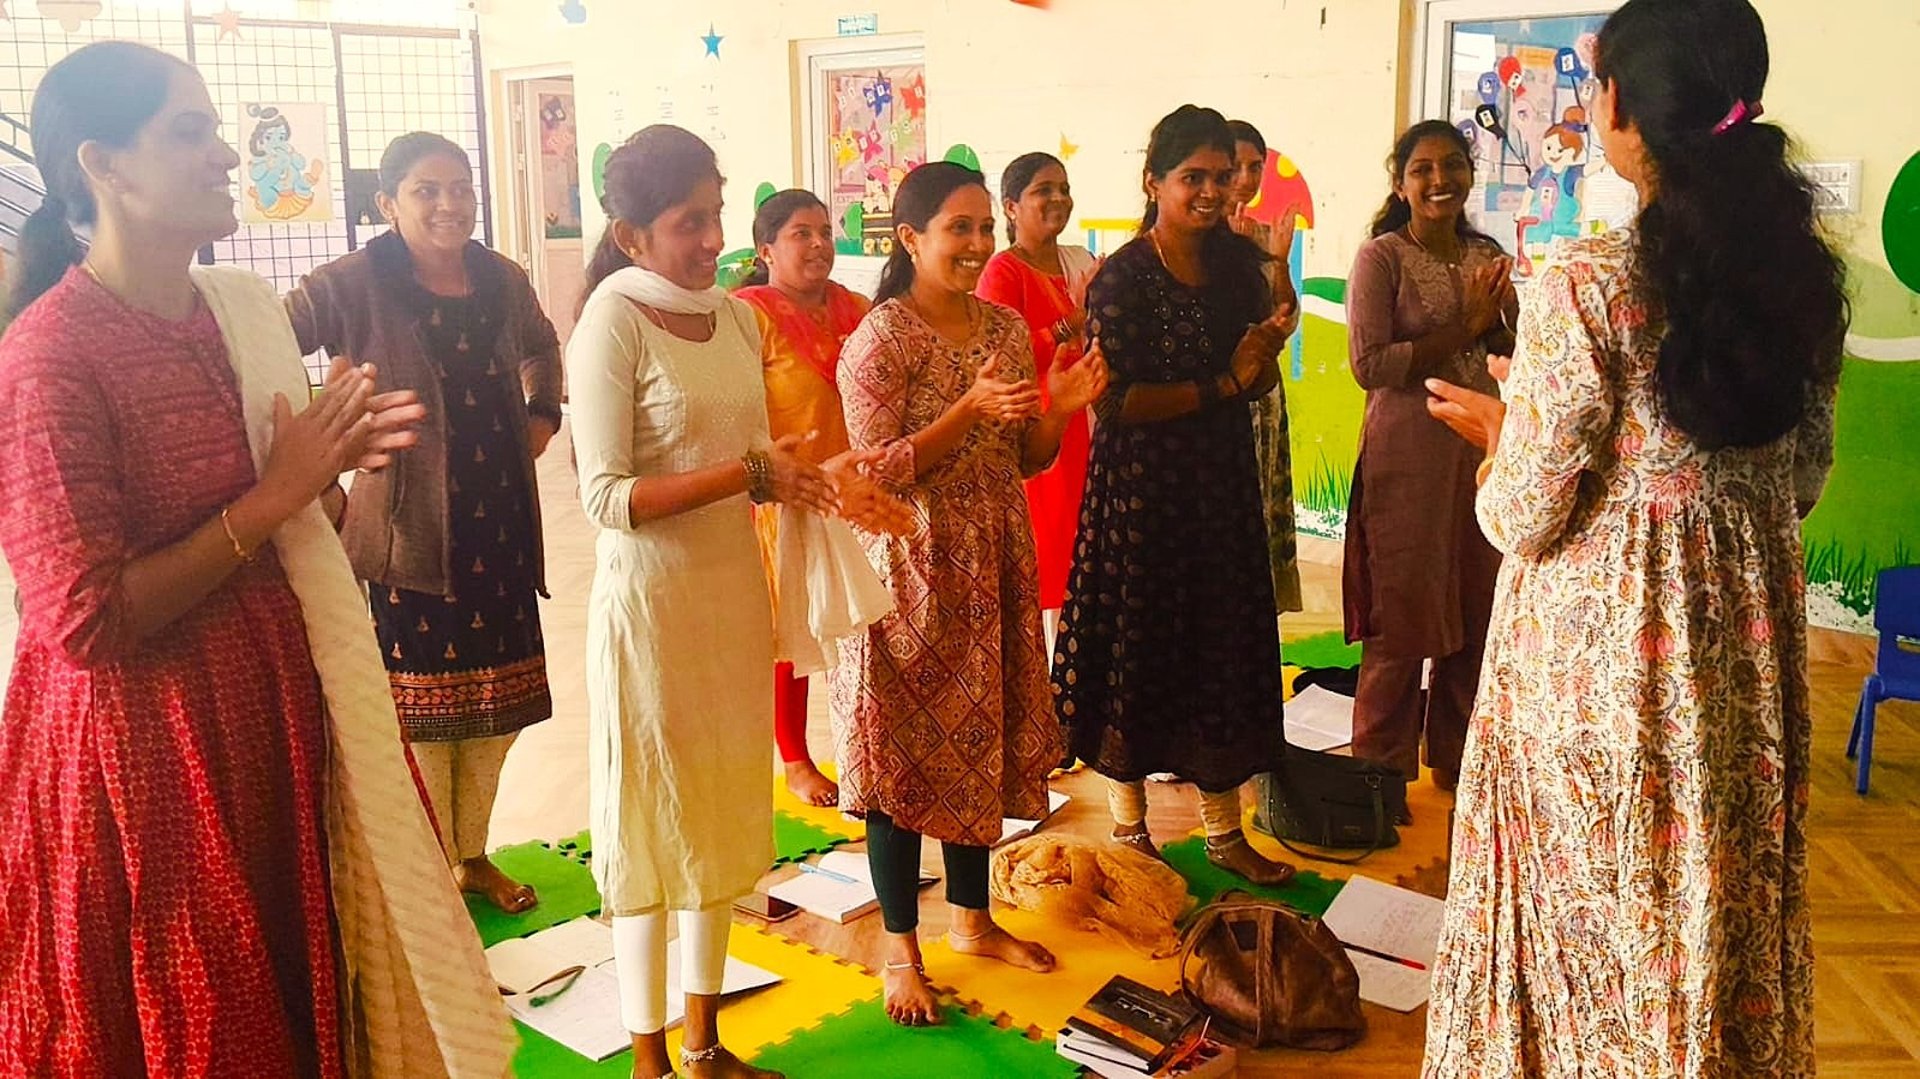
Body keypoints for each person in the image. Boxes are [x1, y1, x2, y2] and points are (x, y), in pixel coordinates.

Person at [0, 41, 513, 1076]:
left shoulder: (232, 311)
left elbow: (296, 511)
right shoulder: (50, 355)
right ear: (104, 164)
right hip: (149, 761)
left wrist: (328, 467)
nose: (228, 154)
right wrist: (276, 493)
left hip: (273, 719)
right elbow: (84, 620)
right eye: (190, 131)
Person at [1419, 1, 1846, 1073]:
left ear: (1619, 107)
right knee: (1710, 908)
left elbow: (1523, 514)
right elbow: (1799, 482)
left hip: (1597, 684)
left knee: (1588, 923)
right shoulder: (1799, 282)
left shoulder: (1587, 284)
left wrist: (1501, 433)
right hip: (1741, 670)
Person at [570, 124, 902, 1079]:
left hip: (730, 596)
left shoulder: (733, 320)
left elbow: (763, 461)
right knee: (652, 823)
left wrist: (824, 482)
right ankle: (648, 1057)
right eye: (690, 222)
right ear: (631, 235)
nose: (713, 239)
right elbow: (607, 497)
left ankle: (705, 1042)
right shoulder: (612, 322)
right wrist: (750, 473)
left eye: (716, 214)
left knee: (717, 818)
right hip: (653, 610)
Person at [834, 160, 1108, 1027]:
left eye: (985, 227)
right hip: (908, 569)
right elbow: (874, 469)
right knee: (901, 756)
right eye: (960, 228)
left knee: (975, 738)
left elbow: (1025, 457)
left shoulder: (1004, 328)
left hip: (991, 560)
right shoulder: (878, 339)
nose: (980, 243)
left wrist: (1058, 406)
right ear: (910, 237)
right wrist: (967, 409)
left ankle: (973, 920)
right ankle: (900, 950)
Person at [286, 131, 563, 913]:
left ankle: (471, 855)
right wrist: (322, 455)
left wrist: (541, 416)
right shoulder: (353, 281)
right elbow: (266, 350)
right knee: (422, 726)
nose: (450, 204)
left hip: (502, 534)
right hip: (407, 545)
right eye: (426, 190)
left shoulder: (501, 277)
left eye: (461, 188)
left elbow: (543, 347)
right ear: (388, 203)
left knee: (495, 716)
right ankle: (426, 876)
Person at [1051, 105, 1299, 887]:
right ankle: (1130, 827)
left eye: (1222, 176)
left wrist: (1261, 354)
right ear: (1154, 181)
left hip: (1218, 487)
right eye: (1194, 176)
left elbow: (1254, 379)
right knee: (1140, 656)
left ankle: (1225, 832)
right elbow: (1116, 401)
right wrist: (1226, 379)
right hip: (1140, 497)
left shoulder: (1238, 267)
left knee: (1219, 650)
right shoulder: (1123, 277)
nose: (1211, 191)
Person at [1341, 120, 1515, 796]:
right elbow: (1370, 364)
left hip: (1478, 459)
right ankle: (1377, 775)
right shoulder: (1381, 258)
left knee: (1476, 607)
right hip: (1404, 460)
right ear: (1400, 183)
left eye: (1453, 165)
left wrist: (1501, 321)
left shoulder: (1485, 254)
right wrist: (1464, 326)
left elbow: (1505, 351)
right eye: (1423, 169)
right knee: (1400, 617)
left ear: (1470, 174)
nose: (1440, 180)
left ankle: (1457, 757)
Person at [734, 188, 871, 808]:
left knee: (859, 622)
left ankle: (864, 742)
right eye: (800, 234)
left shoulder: (856, 308)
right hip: (782, 497)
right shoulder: (747, 315)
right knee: (790, 632)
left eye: (824, 232)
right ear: (766, 250)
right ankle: (794, 759)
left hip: (854, 491)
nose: (819, 245)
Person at [974, 151, 1099, 627]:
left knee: (1090, 546)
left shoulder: (1079, 262)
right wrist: (1071, 323)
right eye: (1043, 190)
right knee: (1054, 555)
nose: (1058, 199)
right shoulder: (1003, 271)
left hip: (1090, 421)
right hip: (1043, 431)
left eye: (1063, 189)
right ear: (1011, 207)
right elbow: (1000, 352)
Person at [1226, 118, 1303, 614]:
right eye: (1235, 166)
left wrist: (1278, 261)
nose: (1246, 178)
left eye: (1256, 167)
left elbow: (1285, 319)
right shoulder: (1189, 238)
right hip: (1223, 400)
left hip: (1264, 400)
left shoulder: (1258, 233)